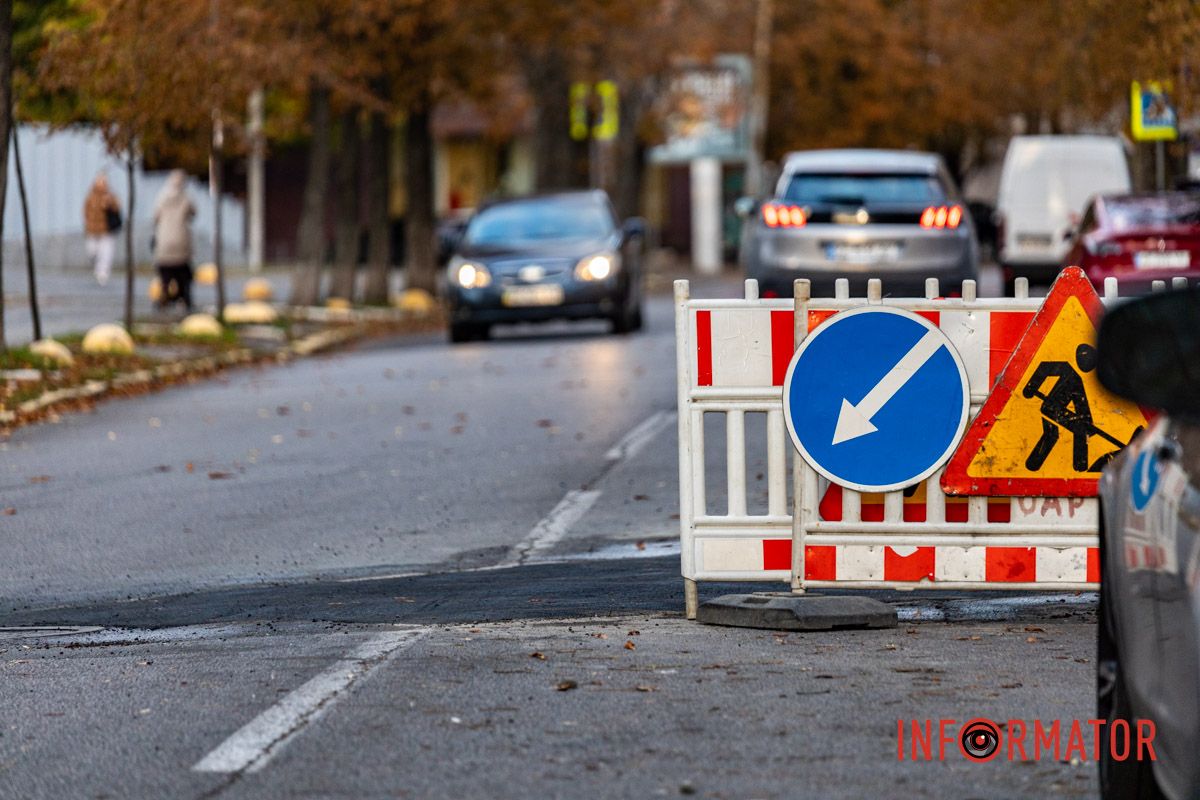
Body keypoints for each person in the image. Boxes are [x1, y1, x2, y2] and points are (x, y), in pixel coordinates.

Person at [152, 170, 197, 311]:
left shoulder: (161, 196)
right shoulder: (186, 197)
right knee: (183, 274)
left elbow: (156, 216)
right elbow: (193, 213)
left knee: (165, 275)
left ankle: (164, 298)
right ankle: (184, 299)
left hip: (164, 240)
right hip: (181, 240)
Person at [83, 173, 121, 285]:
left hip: (106, 230)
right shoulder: (90, 197)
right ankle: (97, 267)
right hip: (92, 230)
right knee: (92, 251)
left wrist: (109, 203)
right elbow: (86, 212)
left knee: (106, 253)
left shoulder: (110, 196)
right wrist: (88, 225)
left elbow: (117, 208)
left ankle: (103, 273)